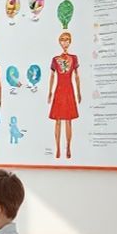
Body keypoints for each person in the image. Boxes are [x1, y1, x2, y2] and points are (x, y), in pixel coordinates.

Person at [47, 31, 82, 159]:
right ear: (59, 42)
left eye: (67, 40)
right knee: (57, 121)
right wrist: (50, 91)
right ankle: (57, 148)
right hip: (59, 89)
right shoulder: (55, 60)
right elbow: (52, 76)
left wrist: (79, 91)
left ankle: (68, 147)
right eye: (62, 40)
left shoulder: (74, 58)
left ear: (70, 42)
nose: (65, 43)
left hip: (69, 90)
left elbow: (77, 76)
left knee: (68, 120)